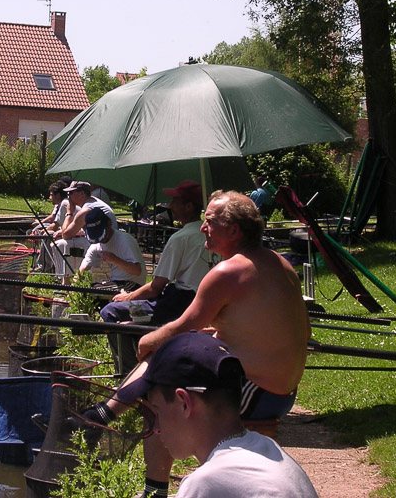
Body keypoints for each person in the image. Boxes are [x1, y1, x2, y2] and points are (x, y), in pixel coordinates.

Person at [81, 190, 311, 498]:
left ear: (233, 230)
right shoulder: (280, 264)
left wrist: (148, 339)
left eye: (211, 222)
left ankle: (151, 486)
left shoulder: (229, 271)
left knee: (161, 390)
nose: (203, 228)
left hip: (258, 391)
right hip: (283, 391)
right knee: (175, 352)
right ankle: (104, 414)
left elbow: (183, 325)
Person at [116, 332, 318, 498]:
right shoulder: (268, 450)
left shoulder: (208, 484)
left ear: (184, 403)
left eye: (157, 410)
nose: (156, 427)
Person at [100, 180, 220, 374]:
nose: (170, 206)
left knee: (111, 312)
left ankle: (129, 372)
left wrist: (127, 297)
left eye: (175, 201)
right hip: (201, 302)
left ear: (188, 206)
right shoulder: (214, 235)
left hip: (178, 305)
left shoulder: (181, 238)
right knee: (132, 315)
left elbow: (155, 287)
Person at [52, 181, 117, 282]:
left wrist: (69, 213)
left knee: (61, 244)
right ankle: (67, 279)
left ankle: (66, 282)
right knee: (63, 243)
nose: (68, 196)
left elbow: (66, 235)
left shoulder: (86, 210)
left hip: (104, 244)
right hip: (107, 240)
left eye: (71, 193)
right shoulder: (94, 202)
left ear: (82, 194)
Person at [79, 207, 147, 290]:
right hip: (114, 283)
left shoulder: (125, 240)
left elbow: (137, 271)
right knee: (87, 289)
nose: (101, 240)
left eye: (101, 235)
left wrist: (114, 259)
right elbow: (82, 270)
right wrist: (75, 288)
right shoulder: (96, 246)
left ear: (109, 224)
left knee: (97, 291)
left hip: (133, 284)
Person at [29, 181, 69, 271]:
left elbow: (55, 225)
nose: (50, 198)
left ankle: (44, 267)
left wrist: (40, 232)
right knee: (47, 232)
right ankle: (47, 265)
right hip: (65, 231)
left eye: (51, 195)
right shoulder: (62, 203)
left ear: (58, 195)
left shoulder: (64, 204)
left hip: (69, 234)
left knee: (48, 234)